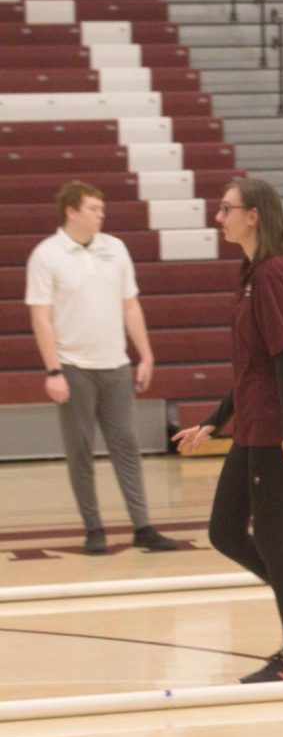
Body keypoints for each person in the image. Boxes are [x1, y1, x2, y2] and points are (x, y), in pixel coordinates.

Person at [172, 178, 283, 684]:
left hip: (274, 426)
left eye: (225, 208)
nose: (218, 216)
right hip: (252, 423)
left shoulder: (273, 274)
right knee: (225, 531)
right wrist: (213, 420)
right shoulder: (252, 273)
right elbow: (253, 367)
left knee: (273, 537)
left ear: (254, 215)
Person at [24, 181, 180, 555]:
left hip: (116, 366)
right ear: (72, 211)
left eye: (101, 208)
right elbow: (40, 318)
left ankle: (143, 526)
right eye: (94, 208)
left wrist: (145, 354)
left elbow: (130, 305)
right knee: (80, 451)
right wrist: (53, 371)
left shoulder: (116, 249)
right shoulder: (46, 255)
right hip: (73, 366)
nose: (101, 214)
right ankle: (94, 528)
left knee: (126, 446)